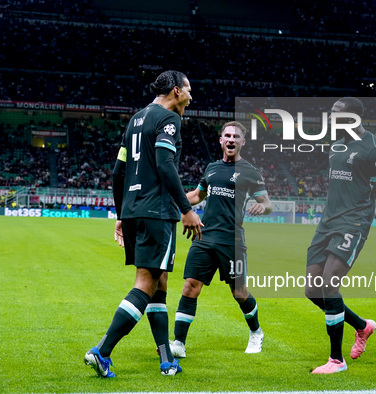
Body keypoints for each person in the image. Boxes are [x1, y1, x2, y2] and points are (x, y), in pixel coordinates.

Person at [84, 70, 203, 378]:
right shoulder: (169, 119)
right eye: (189, 90)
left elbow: (117, 173)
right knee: (147, 284)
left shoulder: (135, 120)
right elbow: (165, 164)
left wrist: (121, 214)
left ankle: (166, 359)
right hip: (156, 211)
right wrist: (186, 208)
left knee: (158, 283)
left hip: (135, 210)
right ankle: (102, 351)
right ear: (176, 91)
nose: (192, 96)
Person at [305, 97, 376, 374]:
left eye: (337, 114)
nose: (331, 118)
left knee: (329, 285)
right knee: (313, 291)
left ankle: (336, 361)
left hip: (353, 223)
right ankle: (363, 326)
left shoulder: (373, 148)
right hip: (327, 223)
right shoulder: (336, 144)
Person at [169, 121, 272, 358]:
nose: (231, 139)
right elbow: (197, 195)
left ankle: (256, 332)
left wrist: (262, 206)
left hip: (232, 241)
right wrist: (173, 200)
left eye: (236, 136)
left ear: (242, 142)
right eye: (227, 135)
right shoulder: (211, 168)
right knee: (190, 287)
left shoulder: (250, 171)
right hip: (205, 236)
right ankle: (179, 343)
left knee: (239, 292)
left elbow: (267, 203)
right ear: (221, 140)